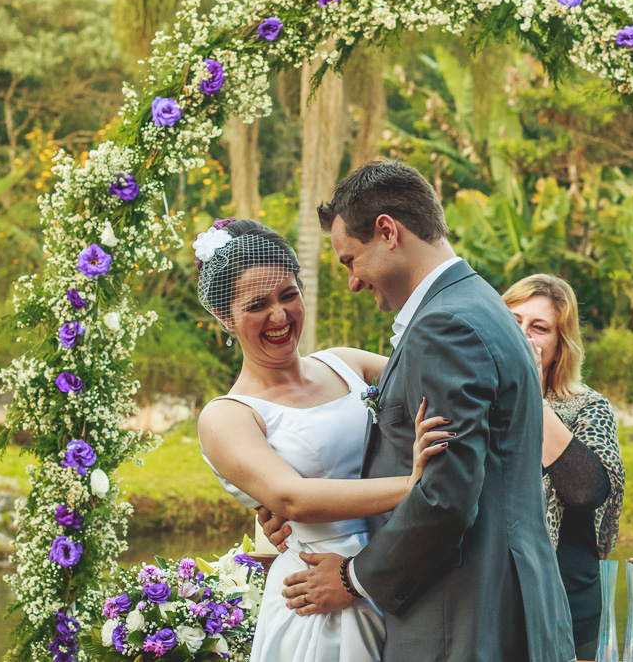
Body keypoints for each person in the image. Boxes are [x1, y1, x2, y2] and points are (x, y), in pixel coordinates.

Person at [270, 161, 575, 662]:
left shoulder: (445, 326)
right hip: (508, 602)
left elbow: (446, 495)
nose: (352, 282)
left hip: (464, 617)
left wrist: (353, 577)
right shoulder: (480, 303)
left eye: (351, 260)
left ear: (388, 231)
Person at [194, 218, 454, 662]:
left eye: (288, 295)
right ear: (224, 317)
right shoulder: (226, 416)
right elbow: (293, 499)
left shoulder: (345, 363)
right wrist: (413, 486)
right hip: (318, 594)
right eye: (257, 304)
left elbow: (439, 378)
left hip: (398, 570)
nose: (279, 316)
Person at [503, 274, 626, 662]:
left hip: (567, 602)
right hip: (492, 600)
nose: (523, 334)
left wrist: (529, 394)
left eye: (539, 328)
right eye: (513, 321)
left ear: (559, 347)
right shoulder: (476, 402)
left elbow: (586, 491)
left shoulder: (587, 407)